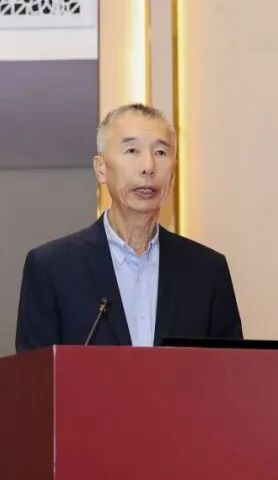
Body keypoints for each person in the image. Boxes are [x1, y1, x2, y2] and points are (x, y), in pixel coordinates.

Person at [15, 103, 242, 351]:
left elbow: (230, 371)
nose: (148, 166)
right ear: (101, 169)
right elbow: (36, 374)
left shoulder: (207, 271)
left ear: (173, 172)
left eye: (161, 152)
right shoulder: (52, 268)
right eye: (132, 150)